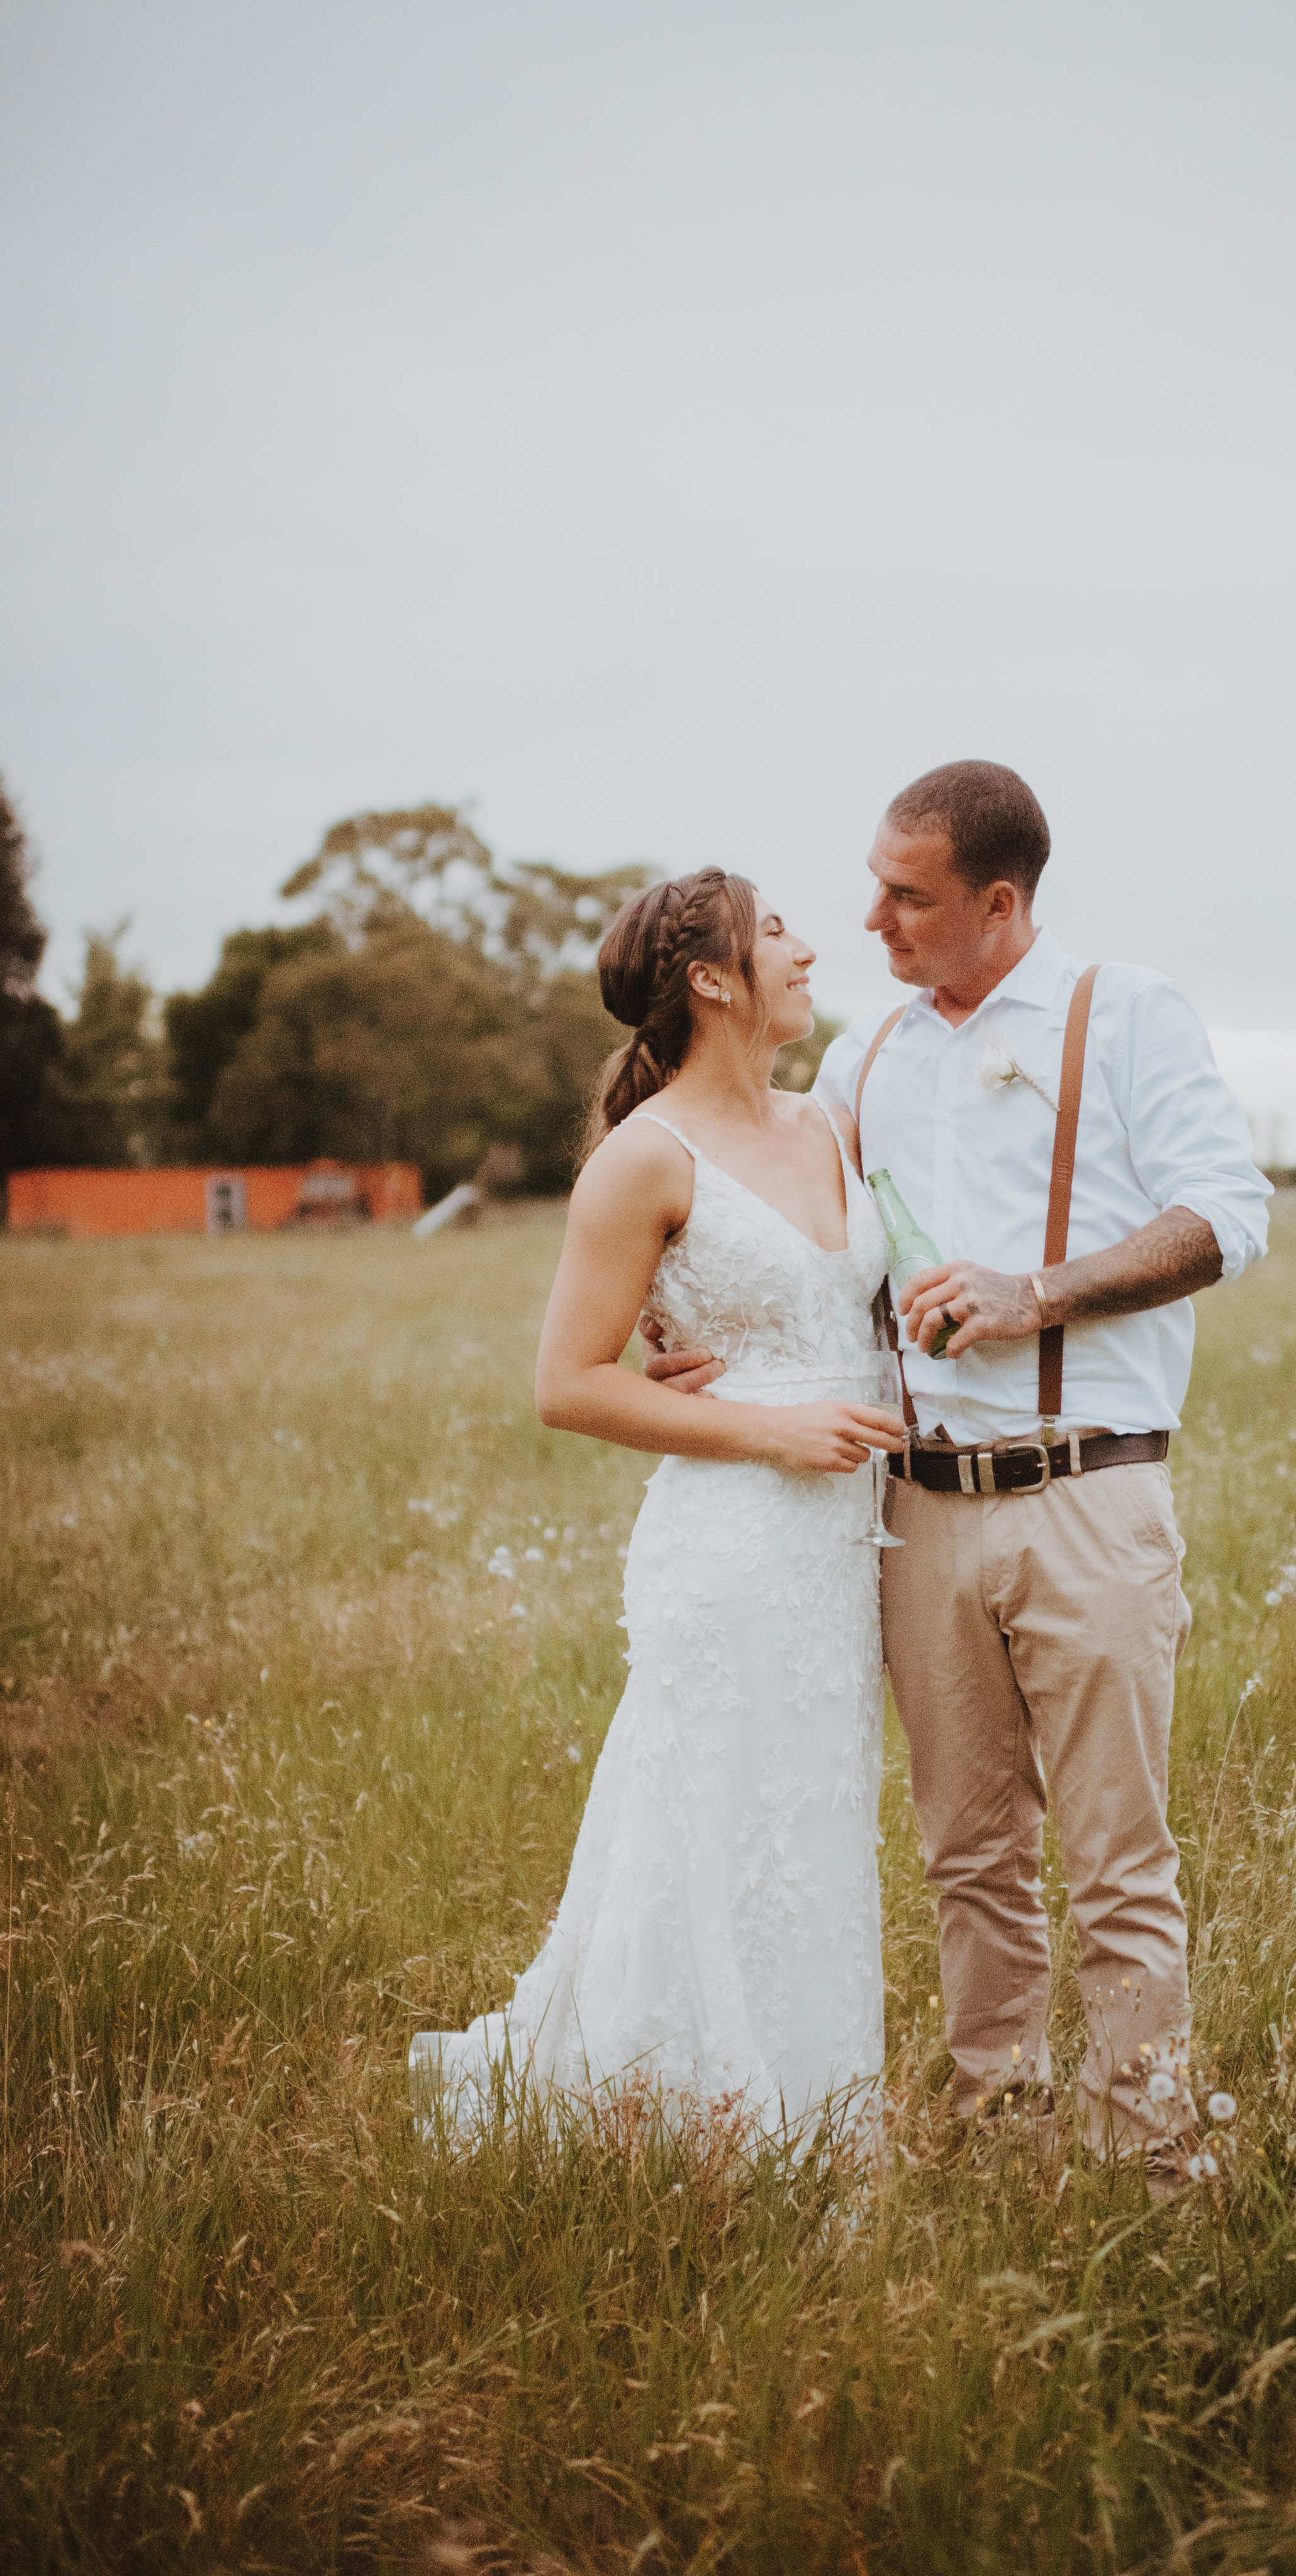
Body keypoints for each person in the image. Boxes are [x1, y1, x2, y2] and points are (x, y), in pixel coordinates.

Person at [649, 765, 1270, 2175]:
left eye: (906, 896)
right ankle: (1002, 2135)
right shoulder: (864, 1059)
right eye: (873, 888)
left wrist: (1032, 1293)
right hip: (916, 1514)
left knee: (1118, 1858)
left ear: (999, 902)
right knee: (969, 1856)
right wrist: (675, 1321)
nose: (871, 920)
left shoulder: (1126, 1013)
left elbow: (1228, 1215)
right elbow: (775, 1216)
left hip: (1089, 1494)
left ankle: (1149, 2154)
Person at [409, 868, 902, 2141]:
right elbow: (567, 1384)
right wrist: (774, 1428)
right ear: (712, 979)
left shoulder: (830, 1125)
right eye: (776, 931)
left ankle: (819, 2110)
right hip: (733, 1540)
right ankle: (687, 2109)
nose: (808, 948)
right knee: (714, 1815)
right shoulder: (644, 1159)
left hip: (842, 1546)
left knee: (812, 1816)